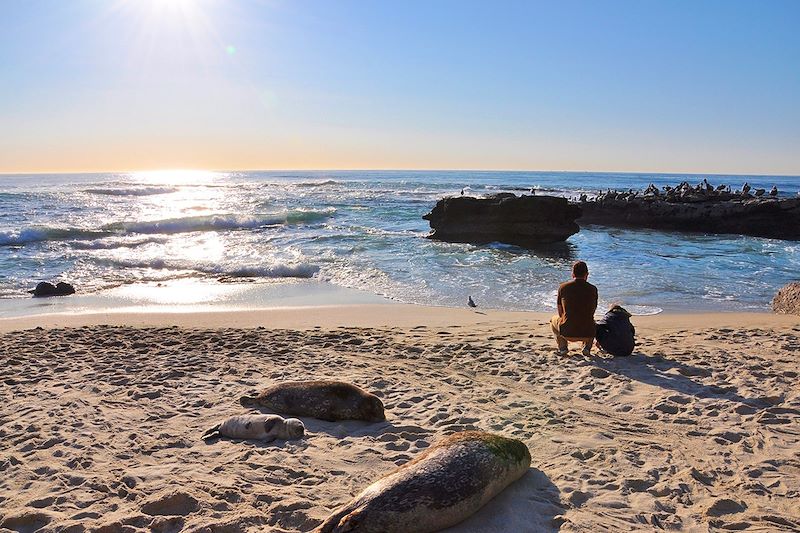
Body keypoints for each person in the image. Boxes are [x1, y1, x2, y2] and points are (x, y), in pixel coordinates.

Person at [550, 261, 598, 356]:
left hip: (567, 333)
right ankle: (587, 347)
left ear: (572, 274)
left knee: (553, 320)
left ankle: (563, 347)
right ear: (587, 274)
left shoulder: (563, 287)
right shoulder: (593, 289)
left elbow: (560, 312)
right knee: (591, 321)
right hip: (588, 333)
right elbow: (592, 310)